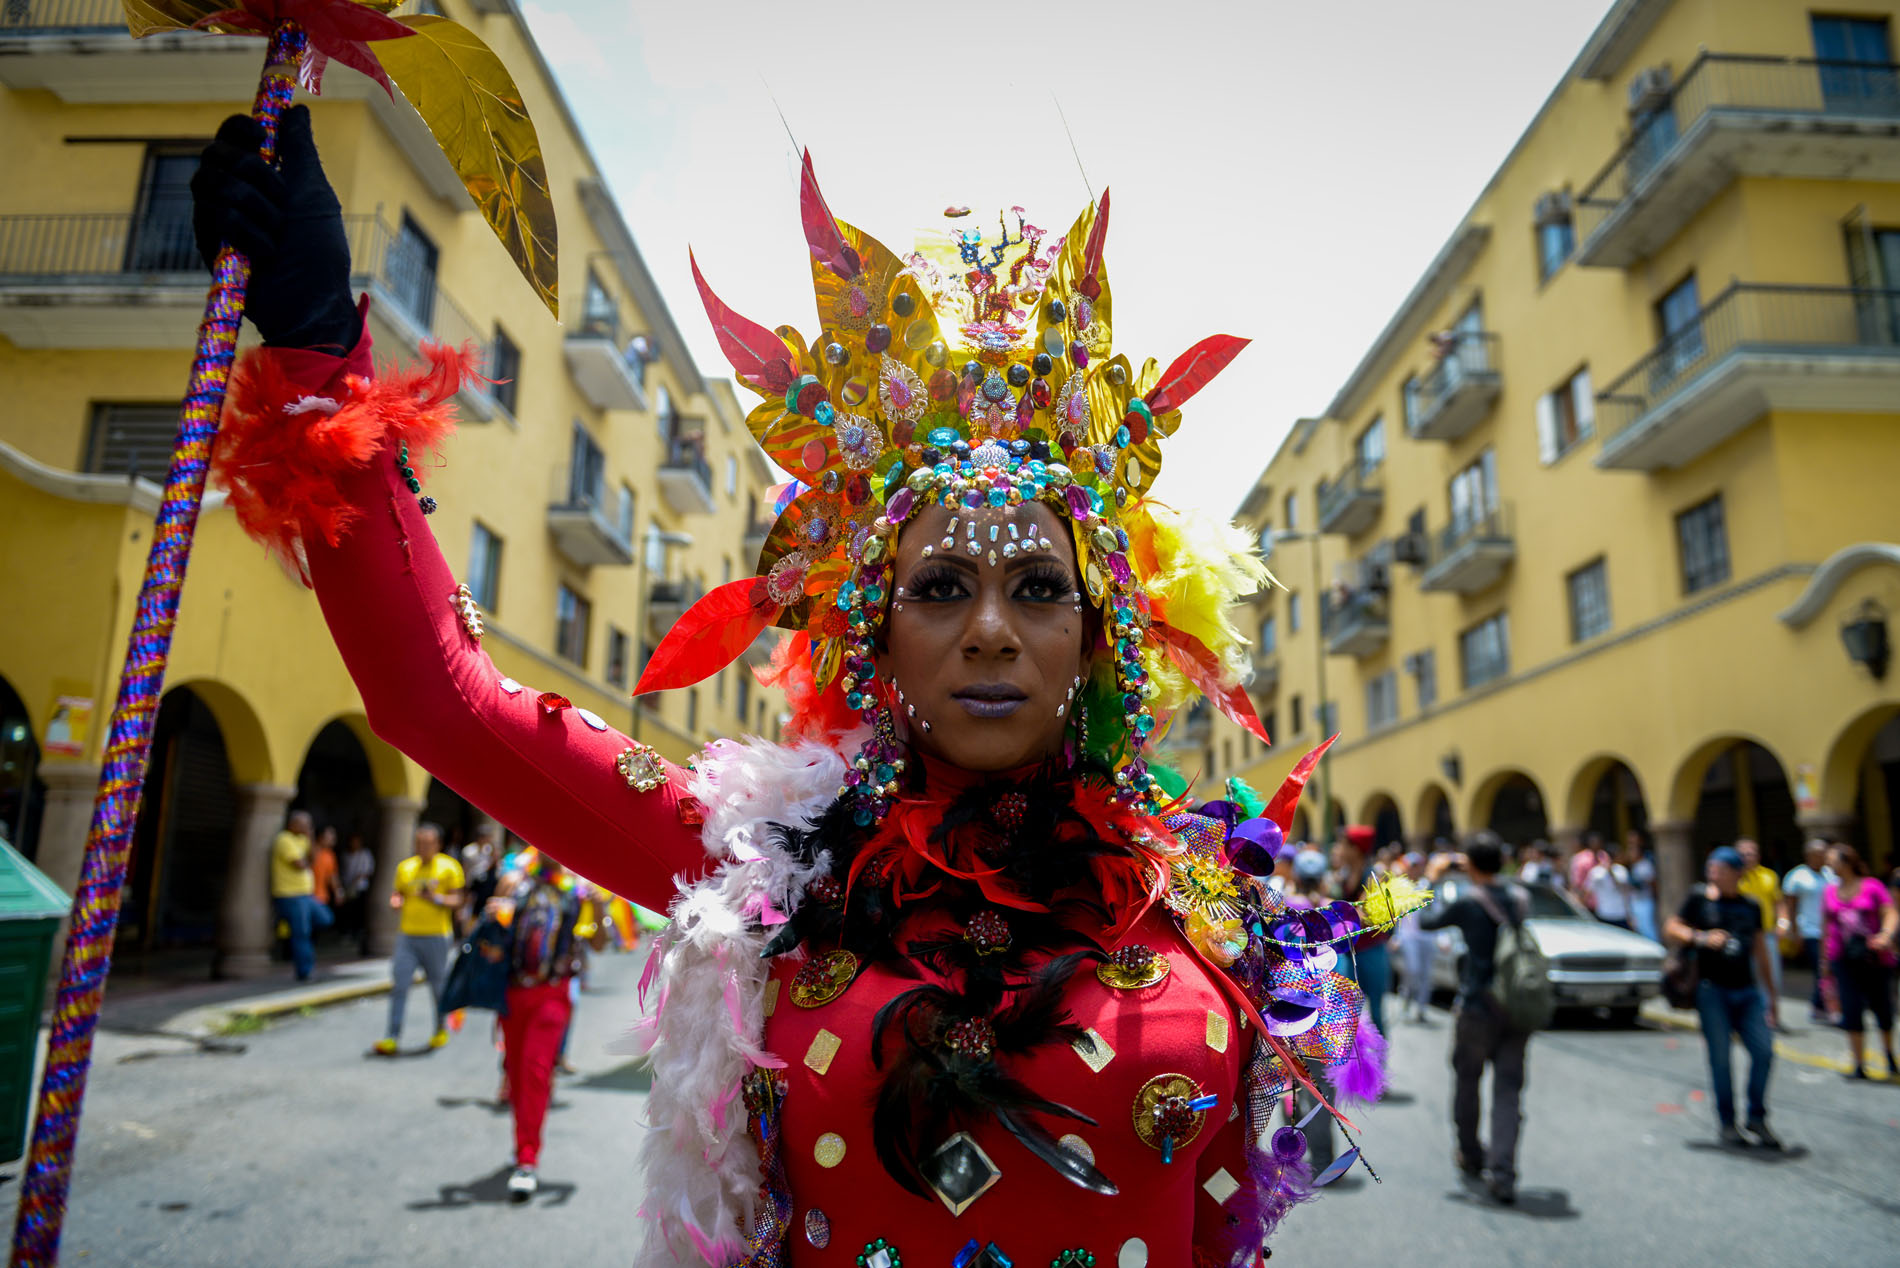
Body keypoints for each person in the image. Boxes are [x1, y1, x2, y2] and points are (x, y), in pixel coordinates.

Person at [192, 110, 1407, 1263]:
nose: (990, 630)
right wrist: (311, 342)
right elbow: (441, 703)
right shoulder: (767, 869)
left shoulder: (1202, 900)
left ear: (1098, 642)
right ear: (871, 641)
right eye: (939, 589)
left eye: (1039, 586)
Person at [1418, 835, 1530, 1204]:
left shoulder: (1467, 901)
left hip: (1477, 1008)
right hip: (1513, 1005)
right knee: (1509, 1090)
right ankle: (1504, 1172)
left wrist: (1431, 879)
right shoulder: (1520, 898)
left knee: (1468, 1081)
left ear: (1471, 863)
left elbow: (1426, 921)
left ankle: (1470, 1154)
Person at [1664, 846, 1781, 1149]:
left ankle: (1757, 1116)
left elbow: (1760, 951)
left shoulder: (1750, 906)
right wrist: (1700, 937)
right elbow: (1672, 927)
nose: (1714, 874)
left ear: (1737, 874)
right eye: (1711, 869)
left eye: (1720, 869)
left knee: (1764, 1052)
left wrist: (1772, 996)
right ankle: (1727, 1123)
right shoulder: (1699, 899)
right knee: (1721, 1060)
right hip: (1711, 989)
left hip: (1747, 991)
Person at [486, 850, 587, 1199]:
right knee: (516, 1075)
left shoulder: (576, 891)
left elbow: (601, 941)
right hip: (512, 994)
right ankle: (522, 1146)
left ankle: (527, 1160)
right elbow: (490, 936)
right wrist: (490, 916)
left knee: (535, 1071)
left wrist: (600, 908)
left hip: (552, 994)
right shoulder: (515, 883)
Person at [375, 822, 465, 1056]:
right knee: (400, 985)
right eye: (419, 843)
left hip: (436, 936)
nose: (422, 848)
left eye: (427, 843)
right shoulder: (406, 867)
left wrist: (435, 898)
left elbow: (458, 901)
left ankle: (439, 1029)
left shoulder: (449, 867)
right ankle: (392, 1036)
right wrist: (396, 900)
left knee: (437, 987)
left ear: (437, 845)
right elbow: (399, 893)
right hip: (407, 935)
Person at [1821, 844, 1898, 1080]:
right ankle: (1859, 1063)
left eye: (1832, 860)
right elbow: (1827, 928)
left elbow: (1891, 913)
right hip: (1844, 960)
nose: (1829, 864)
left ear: (1846, 863)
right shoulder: (1830, 891)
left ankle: (1888, 1054)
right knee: (1851, 1010)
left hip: (1874, 957)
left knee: (1882, 1008)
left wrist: (1885, 935)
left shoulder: (1871, 886)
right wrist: (1824, 964)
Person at [1332, 827, 1393, 1038]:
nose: (1339, 849)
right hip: (1350, 952)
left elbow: (1368, 914)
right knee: (1348, 1010)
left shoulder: (1374, 876)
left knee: (1375, 1011)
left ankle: (1378, 1061)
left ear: (1356, 849)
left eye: (1344, 844)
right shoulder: (1345, 874)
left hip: (1372, 951)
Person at [269, 809, 332, 981]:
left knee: (326, 918)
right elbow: (301, 864)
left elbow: (312, 859)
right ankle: (304, 971)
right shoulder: (284, 840)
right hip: (290, 894)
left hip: (305, 896)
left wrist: (311, 837)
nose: (307, 827)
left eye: (309, 824)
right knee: (302, 933)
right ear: (292, 824)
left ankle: (287, 928)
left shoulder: (303, 840)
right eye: (304, 824)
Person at [1781, 839, 1836, 1023]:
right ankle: (1822, 1005)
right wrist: (1794, 932)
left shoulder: (1831, 874)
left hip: (1832, 931)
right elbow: (1790, 906)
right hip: (1810, 931)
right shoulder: (1797, 876)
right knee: (1822, 969)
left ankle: (1821, 1004)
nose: (1823, 857)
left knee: (1830, 969)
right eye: (1819, 854)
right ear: (1809, 855)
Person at [1735, 838, 1785, 1018]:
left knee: (1772, 975)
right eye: (1743, 854)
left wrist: (1783, 922)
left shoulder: (1769, 876)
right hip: (1742, 936)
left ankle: (1773, 1012)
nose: (1748, 857)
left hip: (1766, 934)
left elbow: (1779, 902)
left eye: (1752, 853)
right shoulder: (1733, 878)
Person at [1392, 852, 1437, 1024]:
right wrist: (1396, 936)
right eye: (1412, 866)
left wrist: (1442, 936)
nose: (1414, 870)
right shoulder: (1402, 886)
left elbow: (1435, 910)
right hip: (1408, 936)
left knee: (1426, 975)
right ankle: (1405, 1001)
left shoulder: (1427, 885)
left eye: (1417, 866)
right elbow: (1398, 914)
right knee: (1413, 970)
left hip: (1427, 937)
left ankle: (1421, 1009)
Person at [337, 830, 375, 955]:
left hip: (360, 889)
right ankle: (346, 934)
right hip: (347, 887)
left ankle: (357, 936)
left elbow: (366, 871)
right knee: (347, 912)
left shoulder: (365, 854)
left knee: (358, 914)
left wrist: (354, 883)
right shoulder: (346, 855)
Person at [460, 822, 503, 933]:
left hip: (487, 886)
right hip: (473, 885)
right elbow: (466, 870)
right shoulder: (469, 851)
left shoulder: (490, 850)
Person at [1586, 846, 1633, 930]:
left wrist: (1609, 870)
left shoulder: (1620, 870)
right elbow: (1588, 891)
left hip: (1620, 914)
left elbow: (1622, 888)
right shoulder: (1595, 872)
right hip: (1604, 913)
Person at [1625, 830, 1658, 943]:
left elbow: (1653, 883)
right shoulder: (1633, 866)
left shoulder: (1646, 864)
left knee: (1648, 930)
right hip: (1636, 902)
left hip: (1645, 901)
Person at [310, 824, 341, 921]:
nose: (333, 838)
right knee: (325, 919)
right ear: (320, 837)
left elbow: (332, 876)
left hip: (322, 896)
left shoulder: (330, 855)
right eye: (330, 835)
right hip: (307, 895)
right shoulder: (311, 851)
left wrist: (338, 892)